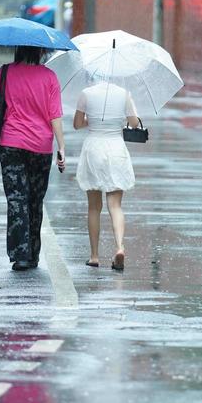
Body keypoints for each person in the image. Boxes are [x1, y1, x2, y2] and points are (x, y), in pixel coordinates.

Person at [0, 45, 65, 271]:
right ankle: (32, 255)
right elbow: (55, 116)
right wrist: (62, 146)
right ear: (40, 52)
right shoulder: (50, 77)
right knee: (35, 200)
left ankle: (20, 254)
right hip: (41, 147)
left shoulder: (5, 72)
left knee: (16, 198)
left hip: (11, 143)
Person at [73, 81, 139, 271]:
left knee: (94, 207)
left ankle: (94, 256)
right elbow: (134, 123)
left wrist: (92, 121)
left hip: (94, 148)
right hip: (116, 148)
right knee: (115, 205)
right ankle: (119, 247)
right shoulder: (124, 93)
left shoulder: (86, 93)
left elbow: (77, 124)